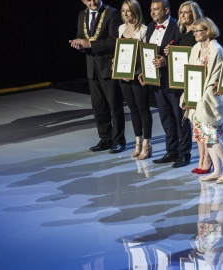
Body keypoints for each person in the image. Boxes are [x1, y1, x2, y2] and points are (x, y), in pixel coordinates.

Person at [139, 0, 192, 168]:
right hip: (156, 82)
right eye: (151, 9)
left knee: (180, 118)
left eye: (156, 9)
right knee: (165, 117)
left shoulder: (178, 27)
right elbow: (147, 53)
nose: (152, 12)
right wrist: (144, 72)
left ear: (167, 10)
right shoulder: (149, 27)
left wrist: (166, 62)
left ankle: (184, 153)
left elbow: (185, 53)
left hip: (174, 81)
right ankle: (171, 151)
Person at [185, 18, 223, 184]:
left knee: (214, 137)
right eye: (194, 31)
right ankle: (217, 169)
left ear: (207, 30)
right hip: (197, 98)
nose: (195, 34)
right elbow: (191, 72)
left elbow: (215, 75)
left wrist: (204, 96)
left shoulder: (217, 49)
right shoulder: (195, 48)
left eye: (198, 31)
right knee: (205, 137)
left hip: (210, 99)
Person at [70, 0, 126, 154]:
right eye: (88, 0)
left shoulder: (112, 13)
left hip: (108, 67)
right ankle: (105, 138)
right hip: (92, 68)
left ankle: (119, 140)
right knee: (98, 107)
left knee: (115, 105)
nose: (92, 2)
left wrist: (89, 44)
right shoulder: (82, 14)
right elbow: (81, 36)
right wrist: (79, 44)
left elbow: (115, 41)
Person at [164, 1, 209, 174]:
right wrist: (171, 53)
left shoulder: (199, 34)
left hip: (195, 83)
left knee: (192, 121)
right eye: (181, 12)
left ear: (194, 13)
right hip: (181, 81)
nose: (183, 15)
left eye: (186, 12)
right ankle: (197, 157)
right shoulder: (181, 32)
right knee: (186, 120)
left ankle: (191, 155)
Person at [118, 0, 153, 160]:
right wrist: (116, 61)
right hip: (124, 75)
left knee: (143, 109)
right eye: (123, 10)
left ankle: (147, 144)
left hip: (139, 75)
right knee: (132, 109)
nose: (125, 14)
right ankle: (137, 142)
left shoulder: (144, 30)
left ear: (136, 12)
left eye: (129, 11)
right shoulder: (121, 29)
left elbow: (148, 54)